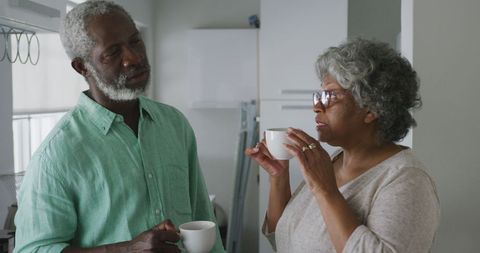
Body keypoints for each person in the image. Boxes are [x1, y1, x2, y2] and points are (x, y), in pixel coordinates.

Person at [14, 1, 224, 252]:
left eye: (135, 42)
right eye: (113, 52)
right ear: (82, 67)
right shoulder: (56, 156)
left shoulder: (174, 124)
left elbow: (202, 219)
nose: (133, 58)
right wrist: (127, 250)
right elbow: (32, 249)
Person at [246, 38, 440, 253]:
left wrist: (326, 190)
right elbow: (284, 240)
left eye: (330, 96)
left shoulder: (407, 180)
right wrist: (278, 177)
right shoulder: (333, 160)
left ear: (371, 109)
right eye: (319, 95)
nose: (317, 107)